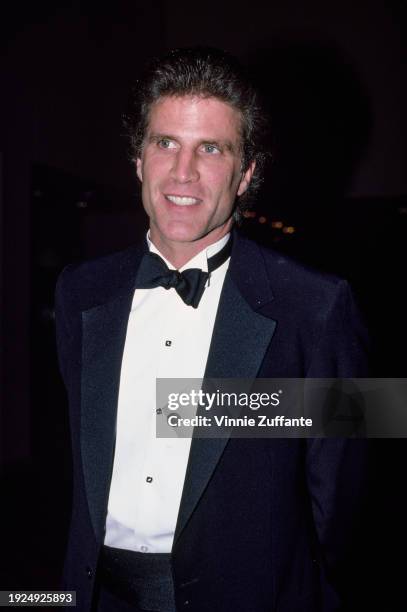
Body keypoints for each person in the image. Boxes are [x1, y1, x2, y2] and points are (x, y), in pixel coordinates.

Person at [55, 47, 369, 612]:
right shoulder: (80, 292)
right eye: (165, 143)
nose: (183, 172)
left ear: (247, 172)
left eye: (211, 149)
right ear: (138, 159)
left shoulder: (317, 307)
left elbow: (341, 503)